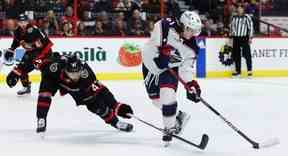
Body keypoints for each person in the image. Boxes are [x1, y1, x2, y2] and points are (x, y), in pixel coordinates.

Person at [141, 11, 202, 146]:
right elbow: (154, 42)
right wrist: (161, 52)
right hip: (150, 65)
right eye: (191, 30)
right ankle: (178, 116)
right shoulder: (165, 26)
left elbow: (185, 69)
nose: (193, 34)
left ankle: (169, 129)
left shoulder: (192, 48)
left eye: (195, 31)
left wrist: (191, 83)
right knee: (157, 101)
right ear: (183, 26)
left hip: (170, 69)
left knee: (167, 97)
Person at [36, 54, 134, 135]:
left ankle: (116, 123)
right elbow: (40, 62)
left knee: (96, 106)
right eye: (71, 73)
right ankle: (41, 118)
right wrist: (37, 62)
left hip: (78, 88)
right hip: (56, 80)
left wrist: (116, 106)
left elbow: (102, 91)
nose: (74, 76)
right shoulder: (55, 68)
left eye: (77, 73)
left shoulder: (87, 75)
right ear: (65, 69)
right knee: (45, 93)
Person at [4, 14, 54, 95]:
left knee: (45, 69)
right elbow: (16, 42)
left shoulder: (33, 30)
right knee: (20, 68)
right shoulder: (17, 31)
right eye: (21, 22)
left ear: (28, 22)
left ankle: (50, 87)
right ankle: (26, 87)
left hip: (44, 52)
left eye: (25, 22)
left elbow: (45, 41)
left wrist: (32, 47)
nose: (23, 24)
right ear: (18, 22)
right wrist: (12, 49)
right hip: (32, 52)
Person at [230, 5, 254, 78]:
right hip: (236, 38)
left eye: (241, 8)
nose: (239, 9)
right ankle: (238, 72)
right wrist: (232, 34)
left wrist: (250, 37)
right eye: (238, 8)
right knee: (236, 55)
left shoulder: (247, 17)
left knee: (247, 54)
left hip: (244, 38)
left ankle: (249, 71)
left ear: (243, 9)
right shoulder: (234, 17)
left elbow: (251, 27)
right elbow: (232, 26)